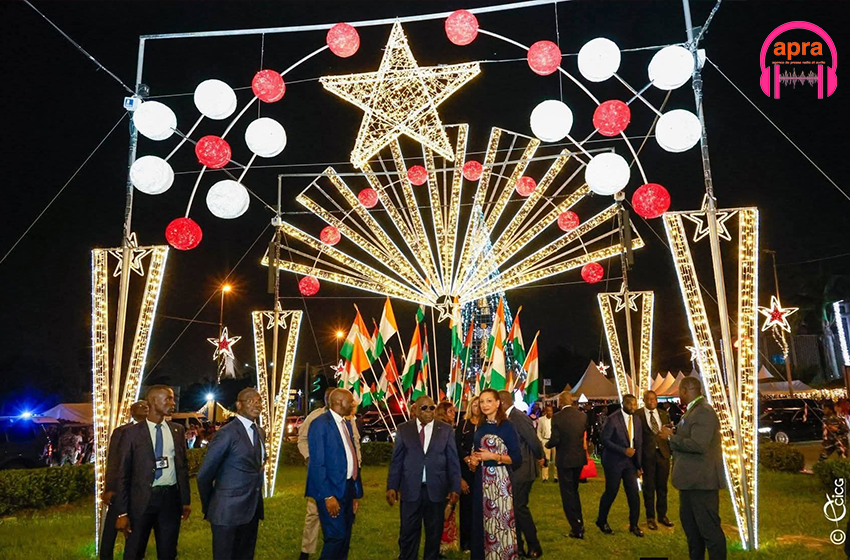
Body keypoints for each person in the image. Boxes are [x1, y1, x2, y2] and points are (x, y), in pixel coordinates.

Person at [115, 385, 191, 560]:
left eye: (173, 398)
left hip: (170, 499)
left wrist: (185, 500)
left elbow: (181, 467)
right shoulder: (131, 434)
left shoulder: (177, 431)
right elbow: (123, 474)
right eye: (168, 398)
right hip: (141, 500)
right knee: (134, 550)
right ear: (154, 401)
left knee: (168, 550)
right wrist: (122, 512)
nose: (173, 402)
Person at [658, 376, 727, 560]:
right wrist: (674, 433)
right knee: (692, 529)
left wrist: (671, 438)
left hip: (702, 482)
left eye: (679, 392)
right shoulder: (693, 411)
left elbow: (699, 444)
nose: (679, 396)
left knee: (709, 530)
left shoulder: (703, 411)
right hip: (691, 481)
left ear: (685, 391)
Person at [387, 396, 461, 560]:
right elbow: (397, 460)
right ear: (415, 410)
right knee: (408, 531)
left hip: (436, 490)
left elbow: (453, 461)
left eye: (432, 408)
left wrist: (455, 487)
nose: (429, 411)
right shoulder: (404, 429)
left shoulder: (446, 430)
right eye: (424, 408)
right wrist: (392, 486)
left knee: (434, 533)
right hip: (410, 489)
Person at [197, 388, 266, 560]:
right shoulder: (226, 433)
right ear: (238, 405)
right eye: (250, 401)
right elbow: (204, 475)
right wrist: (211, 503)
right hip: (227, 512)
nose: (256, 404)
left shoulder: (259, 432)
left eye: (259, 401)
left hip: (251, 510)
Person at [305, 388, 363, 560]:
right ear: (338, 402)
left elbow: (350, 455)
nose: (353, 404)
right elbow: (317, 463)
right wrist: (327, 495)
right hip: (330, 490)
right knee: (335, 537)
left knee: (345, 536)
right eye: (350, 401)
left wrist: (355, 493)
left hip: (347, 488)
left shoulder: (346, 424)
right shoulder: (320, 424)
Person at [468, 388, 522, 560]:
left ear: (498, 403)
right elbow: (476, 452)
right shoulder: (480, 427)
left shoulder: (507, 426)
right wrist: (473, 461)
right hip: (481, 480)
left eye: (489, 401)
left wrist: (492, 456)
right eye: (482, 401)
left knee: (501, 522)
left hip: (500, 481)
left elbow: (516, 458)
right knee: (482, 522)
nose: (484, 405)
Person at [99, 401, 150, 560]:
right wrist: (109, 488)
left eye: (147, 406)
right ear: (131, 411)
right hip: (121, 488)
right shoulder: (121, 432)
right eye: (141, 406)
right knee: (111, 528)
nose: (145, 408)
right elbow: (114, 461)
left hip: (141, 489)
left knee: (136, 529)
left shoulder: (154, 431)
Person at [499, 390, 544, 559]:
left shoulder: (518, 417)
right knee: (515, 509)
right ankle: (518, 546)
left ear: (502, 403)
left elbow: (532, 440)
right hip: (515, 469)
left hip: (523, 470)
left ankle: (534, 545)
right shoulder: (509, 418)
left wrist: (541, 457)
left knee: (519, 507)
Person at [596, 394, 643, 537]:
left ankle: (634, 524)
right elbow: (604, 440)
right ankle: (601, 520)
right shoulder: (613, 419)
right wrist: (623, 451)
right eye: (630, 404)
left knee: (634, 494)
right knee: (611, 492)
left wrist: (639, 465)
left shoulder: (637, 419)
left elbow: (638, 443)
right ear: (623, 404)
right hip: (614, 461)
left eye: (635, 404)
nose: (633, 407)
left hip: (630, 464)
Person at [297, 388, 335, 560]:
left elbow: (354, 443)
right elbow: (302, 439)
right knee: (314, 512)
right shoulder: (315, 417)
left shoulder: (348, 418)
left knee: (338, 513)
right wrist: (309, 457)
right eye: (327, 397)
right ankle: (306, 550)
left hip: (340, 474)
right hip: (318, 471)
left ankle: (334, 546)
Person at [546, 390, 588, 539]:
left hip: (565, 460)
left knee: (567, 494)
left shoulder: (557, 417)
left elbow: (555, 439)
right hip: (578, 459)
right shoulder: (582, 416)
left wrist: (547, 444)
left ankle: (576, 528)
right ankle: (579, 521)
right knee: (574, 491)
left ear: (561, 402)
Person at [637, 390, 674, 530]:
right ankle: (650, 517)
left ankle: (662, 515)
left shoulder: (663, 414)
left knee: (662, 487)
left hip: (663, 454)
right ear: (644, 400)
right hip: (647, 456)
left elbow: (668, 430)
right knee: (649, 487)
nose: (652, 402)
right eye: (650, 399)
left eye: (654, 399)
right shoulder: (638, 415)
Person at [456, 396, 481, 552]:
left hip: (481, 469)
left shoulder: (486, 425)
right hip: (465, 470)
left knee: (480, 507)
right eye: (475, 405)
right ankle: (465, 543)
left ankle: (479, 541)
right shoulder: (463, 425)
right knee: (466, 507)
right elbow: (456, 445)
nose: (477, 408)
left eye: (480, 405)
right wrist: (467, 459)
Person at [435, 401, 459, 556]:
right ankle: (442, 543)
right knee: (443, 509)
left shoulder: (449, 429)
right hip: (441, 476)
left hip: (448, 475)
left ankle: (447, 543)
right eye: (450, 411)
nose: (453, 414)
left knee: (448, 509)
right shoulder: (443, 429)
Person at [536, 405, 556, 483]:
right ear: (545, 411)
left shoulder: (555, 419)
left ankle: (556, 476)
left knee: (555, 460)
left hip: (554, 441)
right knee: (546, 460)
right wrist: (541, 441)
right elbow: (538, 431)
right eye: (548, 411)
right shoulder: (541, 420)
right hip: (545, 441)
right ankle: (545, 477)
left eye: (551, 411)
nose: (549, 412)